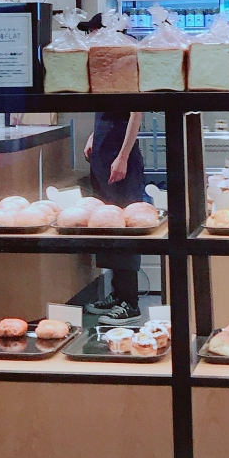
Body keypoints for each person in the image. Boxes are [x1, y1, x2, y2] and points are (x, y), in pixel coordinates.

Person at [83, 108, 146, 321]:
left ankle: (130, 303)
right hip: (103, 156)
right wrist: (94, 136)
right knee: (107, 229)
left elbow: (136, 115)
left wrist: (123, 157)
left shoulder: (129, 85)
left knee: (125, 232)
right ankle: (118, 295)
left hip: (121, 160)